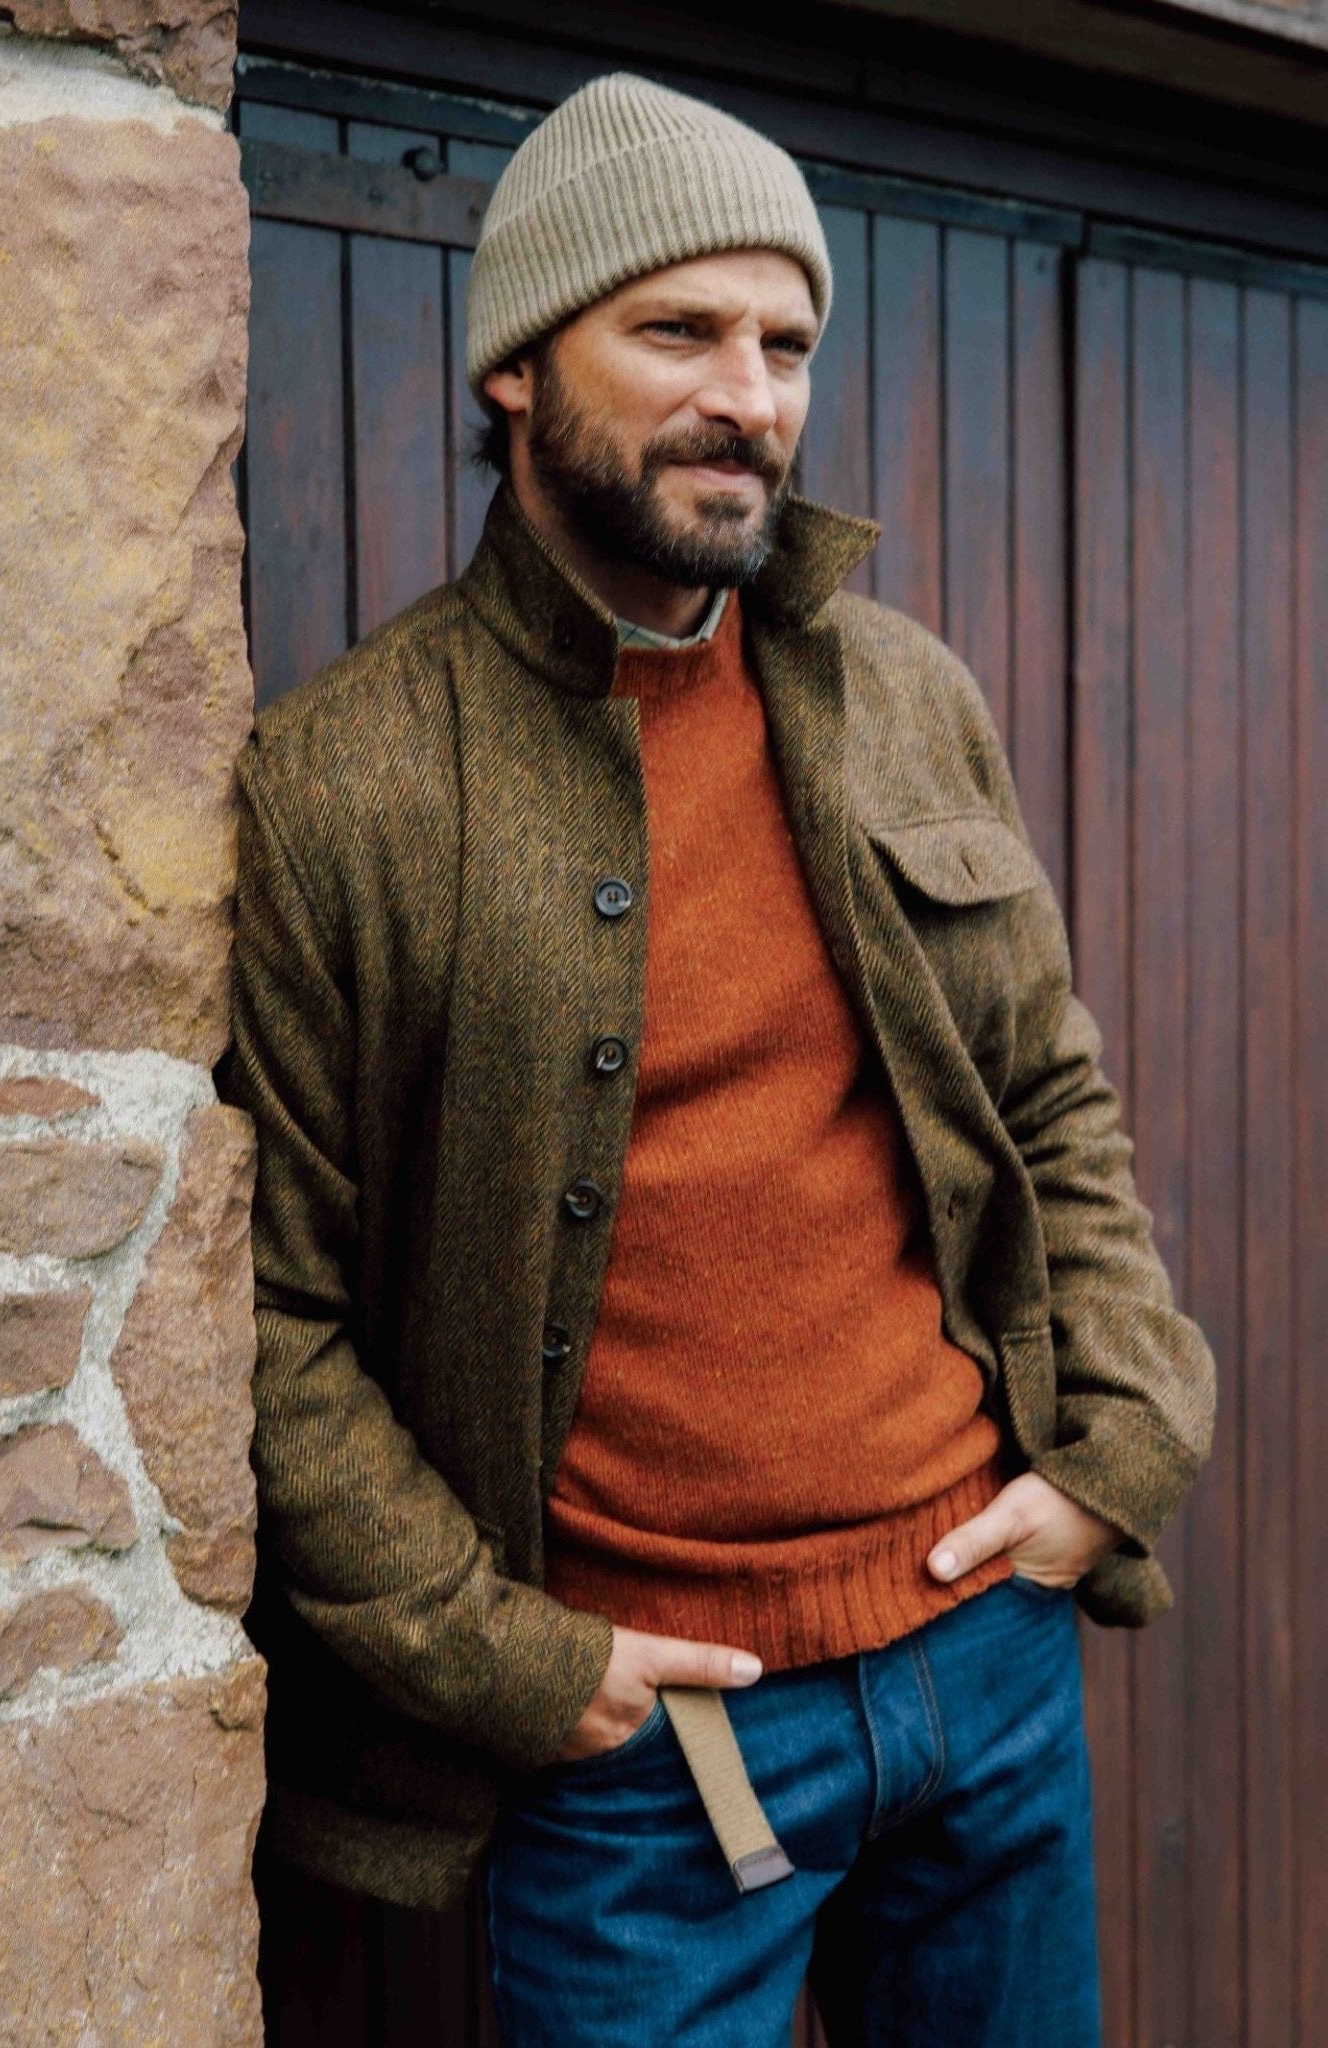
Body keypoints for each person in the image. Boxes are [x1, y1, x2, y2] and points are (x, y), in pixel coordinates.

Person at [222, 70, 1215, 2048]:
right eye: (676, 330)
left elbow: (1046, 1099)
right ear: (517, 363)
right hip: (644, 1764)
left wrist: (1119, 1443)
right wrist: (511, 1661)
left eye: (782, 344)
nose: (745, 396)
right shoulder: (344, 788)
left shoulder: (900, 695)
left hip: (984, 1669)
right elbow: (270, 1323)